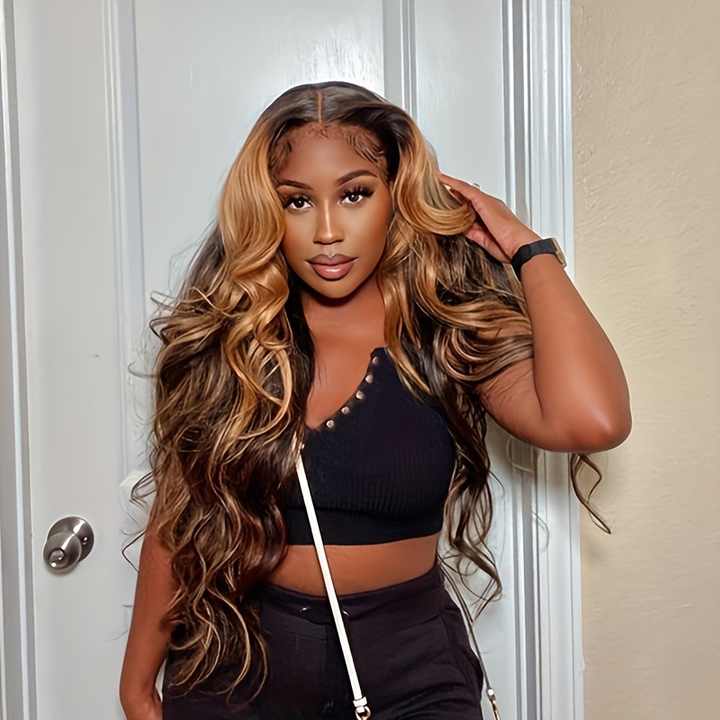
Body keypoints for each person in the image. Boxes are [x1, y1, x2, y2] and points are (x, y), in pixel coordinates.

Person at [118, 80, 631, 720]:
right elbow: (180, 515)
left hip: (410, 669)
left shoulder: (445, 328)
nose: (328, 231)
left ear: (397, 193)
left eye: (355, 194)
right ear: (266, 210)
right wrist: (137, 687)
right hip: (238, 664)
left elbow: (593, 420)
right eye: (297, 201)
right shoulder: (235, 339)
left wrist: (529, 251)